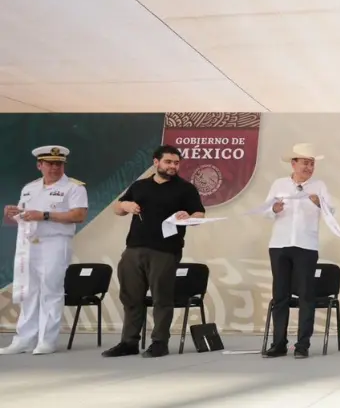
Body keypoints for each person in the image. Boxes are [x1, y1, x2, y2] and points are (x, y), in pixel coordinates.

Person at [102, 145, 205, 359]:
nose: (173, 166)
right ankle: (129, 342)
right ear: (156, 162)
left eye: (176, 163)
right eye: (168, 162)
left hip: (166, 251)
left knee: (162, 298)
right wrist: (126, 205)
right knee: (131, 297)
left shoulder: (185, 189)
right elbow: (117, 208)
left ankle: (159, 342)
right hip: (134, 249)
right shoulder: (140, 186)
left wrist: (189, 216)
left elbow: (200, 214)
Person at [0, 146, 87, 355]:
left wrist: (45, 215)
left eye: (59, 163)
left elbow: (78, 215)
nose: (55, 167)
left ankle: (47, 339)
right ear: (40, 165)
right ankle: (24, 339)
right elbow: (22, 216)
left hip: (55, 243)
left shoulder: (74, 187)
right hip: (29, 244)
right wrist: (11, 213)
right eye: (50, 163)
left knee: (51, 290)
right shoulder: (29, 188)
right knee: (28, 290)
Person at [263, 143, 336, 359]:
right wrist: (273, 209)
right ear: (293, 163)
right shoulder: (279, 184)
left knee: (305, 295)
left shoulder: (319, 185)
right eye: (305, 163)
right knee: (280, 295)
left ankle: (302, 344)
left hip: (306, 245)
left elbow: (331, 211)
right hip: (279, 244)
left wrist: (319, 203)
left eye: (312, 164)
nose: (309, 167)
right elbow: (265, 209)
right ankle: (278, 343)